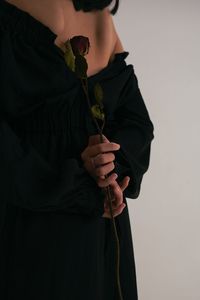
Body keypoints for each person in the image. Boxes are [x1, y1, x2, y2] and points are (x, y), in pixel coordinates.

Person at [0, 0, 154, 299]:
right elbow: (137, 123)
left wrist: (83, 186)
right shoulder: (101, 18)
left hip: (36, 217)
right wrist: (111, 167)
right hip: (103, 215)